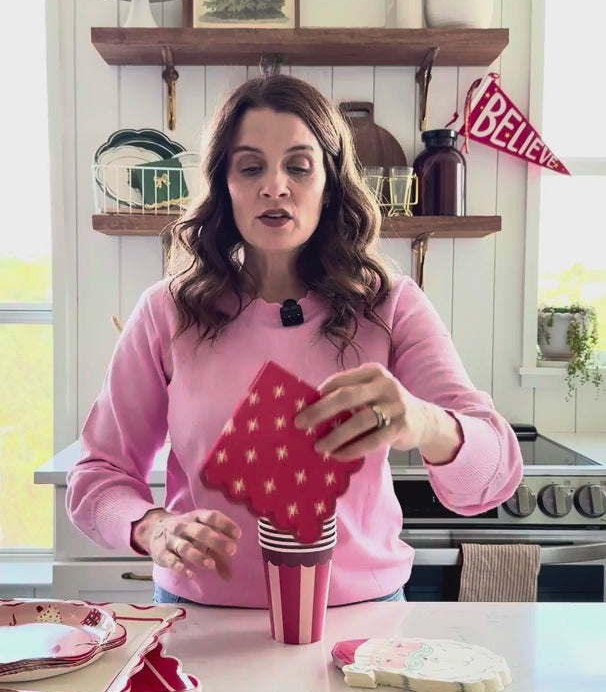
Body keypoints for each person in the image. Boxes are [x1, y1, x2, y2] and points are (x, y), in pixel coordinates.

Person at [66, 75, 522, 608]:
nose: (274, 186)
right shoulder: (166, 312)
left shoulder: (393, 306)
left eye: (299, 166)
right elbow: (98, 475)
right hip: (201, 620)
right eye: (250, 166)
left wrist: (423, 421)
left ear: (330, 183)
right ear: (224, 185)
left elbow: (494, 477)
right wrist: (151, 527)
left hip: (360, 622)